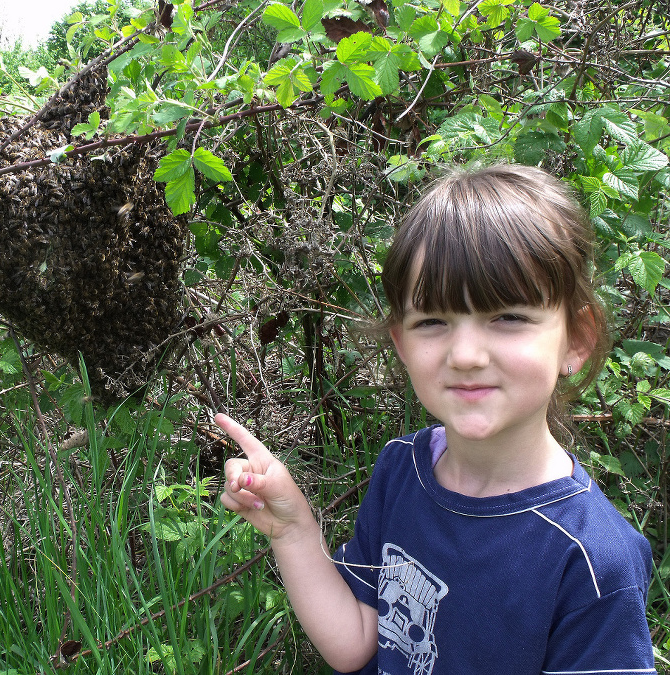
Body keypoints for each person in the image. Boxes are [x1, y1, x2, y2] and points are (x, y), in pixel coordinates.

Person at [216, 164, 656, 675]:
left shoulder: (593, 559)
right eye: (432, 322)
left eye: (508, 317)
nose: (465, 354)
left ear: (576, 339)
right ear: (401, 342)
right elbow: (356, 642)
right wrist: (291, 528)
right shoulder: (403, 468)